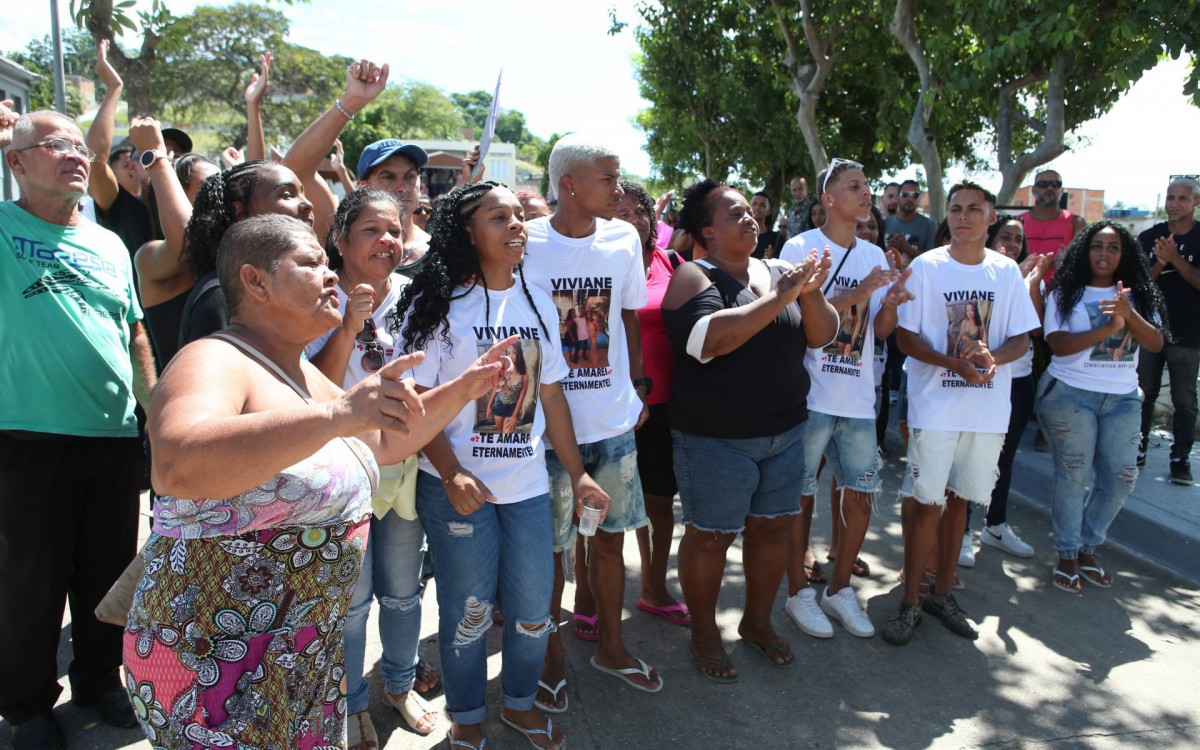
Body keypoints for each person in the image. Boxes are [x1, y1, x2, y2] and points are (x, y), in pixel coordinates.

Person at [123, 213, 514, 750]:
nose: (332, 275)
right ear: (255, 281)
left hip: (298, 659)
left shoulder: (301, 372)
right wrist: (339, 416)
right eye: (310, 263)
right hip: (212, 659)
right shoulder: (214, 357)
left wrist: (464, 389)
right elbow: (177, 465)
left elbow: (383, 442)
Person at [395, 182, 609, 750]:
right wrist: (450, 471)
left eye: (519, 215)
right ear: (467, 233)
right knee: (466, 610)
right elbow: (415, 402)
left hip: (529, 488)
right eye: (499, 217)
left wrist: (579, 472)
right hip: (458, 489)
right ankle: (466, 716)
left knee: (535, 607)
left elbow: (554, 396)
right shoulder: (435, 305)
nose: (517, 225)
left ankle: (518, 705)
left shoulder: (539, 298)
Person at [1, 105, 156, 749]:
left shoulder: (108, 243)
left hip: (113, 439)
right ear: (15, 162)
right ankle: (26, 704)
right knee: (29, 582)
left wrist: (160, 415)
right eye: (52, 143)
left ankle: (99, 678)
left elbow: (134, 330)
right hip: (26, 440)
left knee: (107, 575)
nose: (73, 152)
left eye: (76, 143)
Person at [662, 179, 837, 681]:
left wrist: (811, 292)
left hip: (785, 433)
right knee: (711, 537)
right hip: (715, 439)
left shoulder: (779, 270)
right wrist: (783, 297)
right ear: (706, 232)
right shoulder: (694, 276)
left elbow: (823, 335)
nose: (749, 219)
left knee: (773, 531)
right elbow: (712, 340)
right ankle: (704, 633)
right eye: (734, 213)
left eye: (749, 212)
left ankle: (757, 624)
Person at [521, 135, 662, 706]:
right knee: (552, 551)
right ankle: (551, 658)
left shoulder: (623, 237)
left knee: (610, 542)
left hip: (611, 423)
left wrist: (636, 386)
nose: (619, 188)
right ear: (570, 185)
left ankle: (611, 646)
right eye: (608, 178)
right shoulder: (524, 242)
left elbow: (628, 315)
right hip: (545, 429)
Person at [304, 189, 439, 743]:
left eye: (394, 229)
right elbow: (312, 391)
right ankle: (352, 701)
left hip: (405, 468)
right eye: (370, 230)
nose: (386, 241)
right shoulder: (317, 296)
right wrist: (345, 325)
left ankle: (399, 685)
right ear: (338, 240)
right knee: (352, 602)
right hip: (342, 475)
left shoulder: (418, 296)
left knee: (405, 592)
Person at [883, 181, 1040, 646]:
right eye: (955, 209)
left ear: (992, 217)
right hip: (936, 407)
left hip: (986, 412)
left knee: (959, 505)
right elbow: (906, 339)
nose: (964, 216)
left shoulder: (1007, 272)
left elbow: (1022, 339)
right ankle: (911, 600)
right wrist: (955, 363)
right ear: (947, 216)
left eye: (974, 209)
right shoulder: (926, 268)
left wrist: (991, 358)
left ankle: (943, 593)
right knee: (925, 503)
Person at [779, 159, 911, 641]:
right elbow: (791, 316)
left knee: (860, 495)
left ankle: (838, 590)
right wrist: (859, 291)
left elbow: (876, 333)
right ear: (828, 200)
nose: (866, 192)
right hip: (811, 396)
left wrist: (890, 309)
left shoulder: (875, 254)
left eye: (867, 186)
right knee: (800, 496)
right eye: (854, 186)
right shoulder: (800, 247)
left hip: (858, 399)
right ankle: (798, 593)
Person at [1041, 222, 1166, 593]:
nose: (1104, 254)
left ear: (1124, 254)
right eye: (1097, 246)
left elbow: (1156, 343)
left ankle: (1087, 546)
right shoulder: (1066, 292)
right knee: (1074, 476)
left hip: (1123, 398)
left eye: (1113, 248)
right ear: (1085, 250)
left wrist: (1129, 315)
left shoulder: (1139, 294)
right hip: (1069, 394)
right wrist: (1109, 326)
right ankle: (1067, 551)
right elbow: (1059, 345)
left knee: (1121, 478)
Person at [615, 179, 691, 633]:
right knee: (599, 506)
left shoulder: (675, 263)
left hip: (663, 404)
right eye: (619, 213)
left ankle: (653, 587)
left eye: (639, 212)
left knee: (659, 503)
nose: (632, 220)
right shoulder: (596, 264)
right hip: (608, 405)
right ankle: (588, 598)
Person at [282, 59, 433, 277]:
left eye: (410, 177)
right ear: (362, 186)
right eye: (388, 177)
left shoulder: (438, 247)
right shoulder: (340, 235)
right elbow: (296, 170)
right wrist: (352, 101)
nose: (402, 187)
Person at [957, 215, 1048, 566]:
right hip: (980, 378)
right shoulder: (978, 272)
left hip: (1018, 379)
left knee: (1004, 457)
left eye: (1018, 239)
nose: (1011, 244)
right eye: (1005, 236)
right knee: (968, 454)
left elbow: (1035, 330)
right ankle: (961, 531)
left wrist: (1032, 282)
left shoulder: (1023, 277)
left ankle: (994, 525)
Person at [177, 160, 316, 346]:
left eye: (303, 193)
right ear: (240, 211)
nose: (308, 204)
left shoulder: (282, 284)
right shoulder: (220, 295)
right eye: (287, 195)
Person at [127, 118, 220, 368]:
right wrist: (157, 158)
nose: (218, 195)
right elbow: (189, 245)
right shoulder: (149, 257)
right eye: (207, 189)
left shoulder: (236, 253)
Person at [1137, 176, 1200, 485]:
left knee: (1184, 399)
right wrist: (1160, 264)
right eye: (1171, 197)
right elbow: (1138, 286)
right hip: (1150, 330)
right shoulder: (1149, 237)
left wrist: (1176, 259)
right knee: (1142, 394)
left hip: (1189, 334)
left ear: (1196, 203)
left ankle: (1180, 459)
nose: (1174, 203)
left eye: (1182, 198)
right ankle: (1137, 449)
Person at [1020, 169, 1087, 273]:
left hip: (1061, 288)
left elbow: (1082, 261)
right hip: (1022, 287)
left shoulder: (1076, 223)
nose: (1050, 188)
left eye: (1055, 184)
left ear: (1061, 190)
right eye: (1043, 184)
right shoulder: (1019, 222)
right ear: (1033, 190)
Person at [884, 179, 937, 263]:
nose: (909, 198)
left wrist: (906, 248)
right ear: (898, 197)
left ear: (919, 198)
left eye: (915, 195)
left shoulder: (929, 225)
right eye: (905, 194)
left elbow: (932, 260)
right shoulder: (884, 224)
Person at [783, 175, 815, 241]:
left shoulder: (813, 208)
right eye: (794, 190)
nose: (797, 193)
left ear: (807, 189)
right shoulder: (790, 211)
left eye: (800, 189)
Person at [750, 191, 780, 259]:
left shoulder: (776, 239)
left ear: (769, 211)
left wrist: (772, 259)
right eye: (754, 204)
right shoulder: (739, 234)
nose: (757, 207)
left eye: (763, 205)